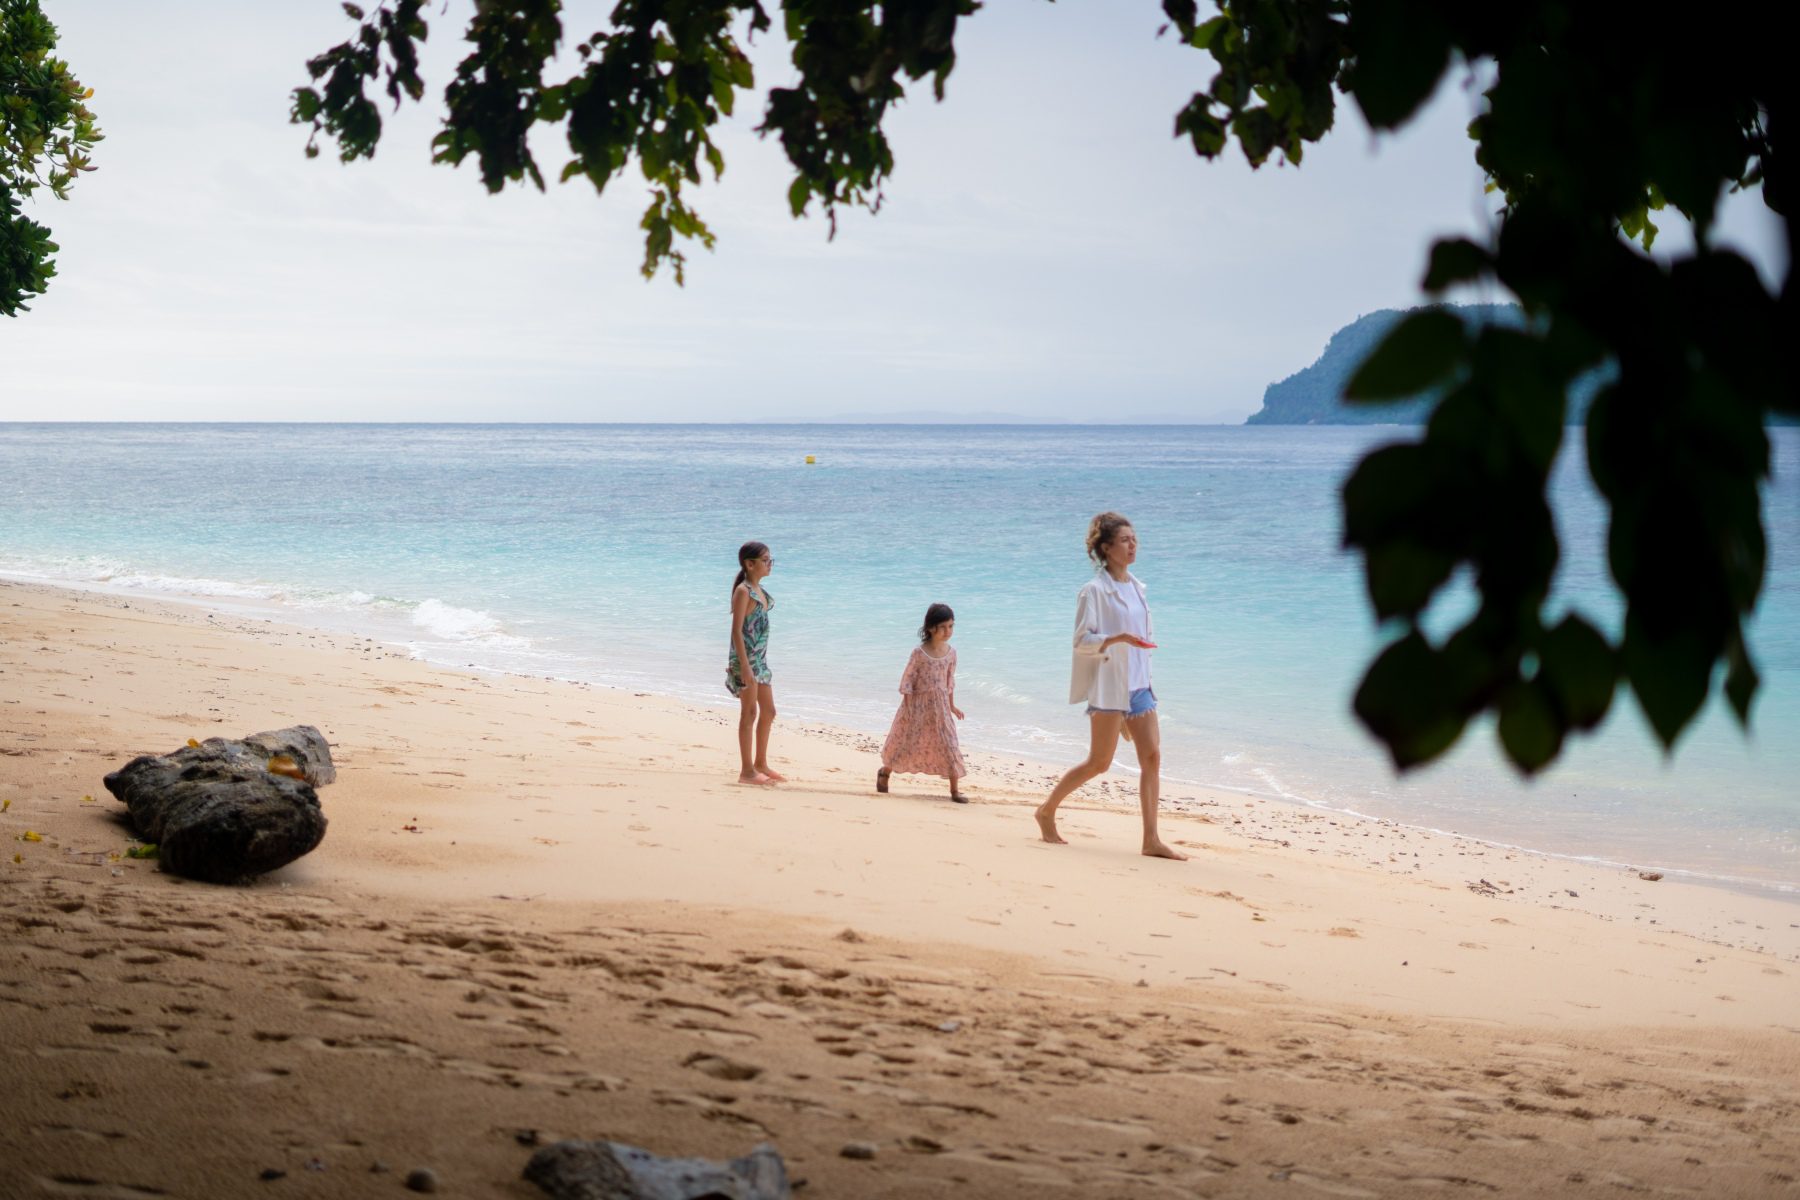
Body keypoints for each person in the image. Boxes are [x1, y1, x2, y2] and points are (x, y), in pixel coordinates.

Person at [1035, 512, 1187, 860]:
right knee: (1099, 762)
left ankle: (1151, 840)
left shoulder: (1136, 587)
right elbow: (1080, 641)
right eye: (1125, 540)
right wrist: (1115, 638)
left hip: (1140, 685)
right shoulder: (1093, 592)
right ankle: (1046, 810)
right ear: (1106, 548)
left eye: (1134, 538)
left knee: (1152, 757)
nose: (1133, 544)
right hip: (1109, 685)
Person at [876, 603, 969, 803]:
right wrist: (909, 706)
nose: (948, 631)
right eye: (943, 627)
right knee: (904, 742)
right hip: (916, 705)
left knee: (949, 744)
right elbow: (908, 679)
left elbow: (949, 682)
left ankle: (954, 790)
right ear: (930, 628)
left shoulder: (951, 653)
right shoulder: (919, 653)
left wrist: (952, 706)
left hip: (941, 706)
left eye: (951, 626)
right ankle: (884, 772)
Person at [727, 541, 783, 785]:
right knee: (749, 712)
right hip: (746, 661)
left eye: (771, 560)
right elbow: (736, 632)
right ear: (750, 565)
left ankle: (760, 763)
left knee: (769, 712)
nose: (770, 564)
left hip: (760, 660)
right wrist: (744, 666)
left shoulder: (759, 590)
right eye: (765, 560)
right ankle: (746, 771)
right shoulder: (743, 591)